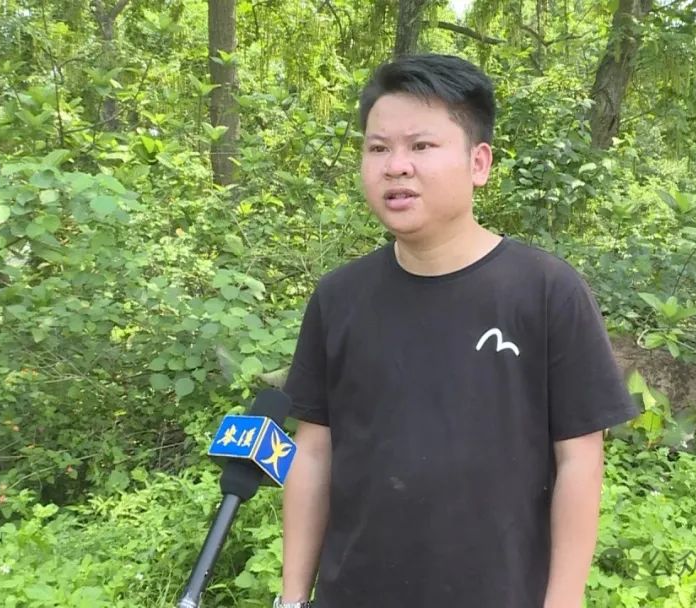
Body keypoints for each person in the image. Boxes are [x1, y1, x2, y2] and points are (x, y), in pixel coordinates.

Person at [274, 53, 639, 608]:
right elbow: (314, 454)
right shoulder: (339, 297)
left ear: (479, 163)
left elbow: (580, 461)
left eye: (421, 146)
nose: (396, 166)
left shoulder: (545, 291)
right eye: (378, 148)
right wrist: (292, 597)